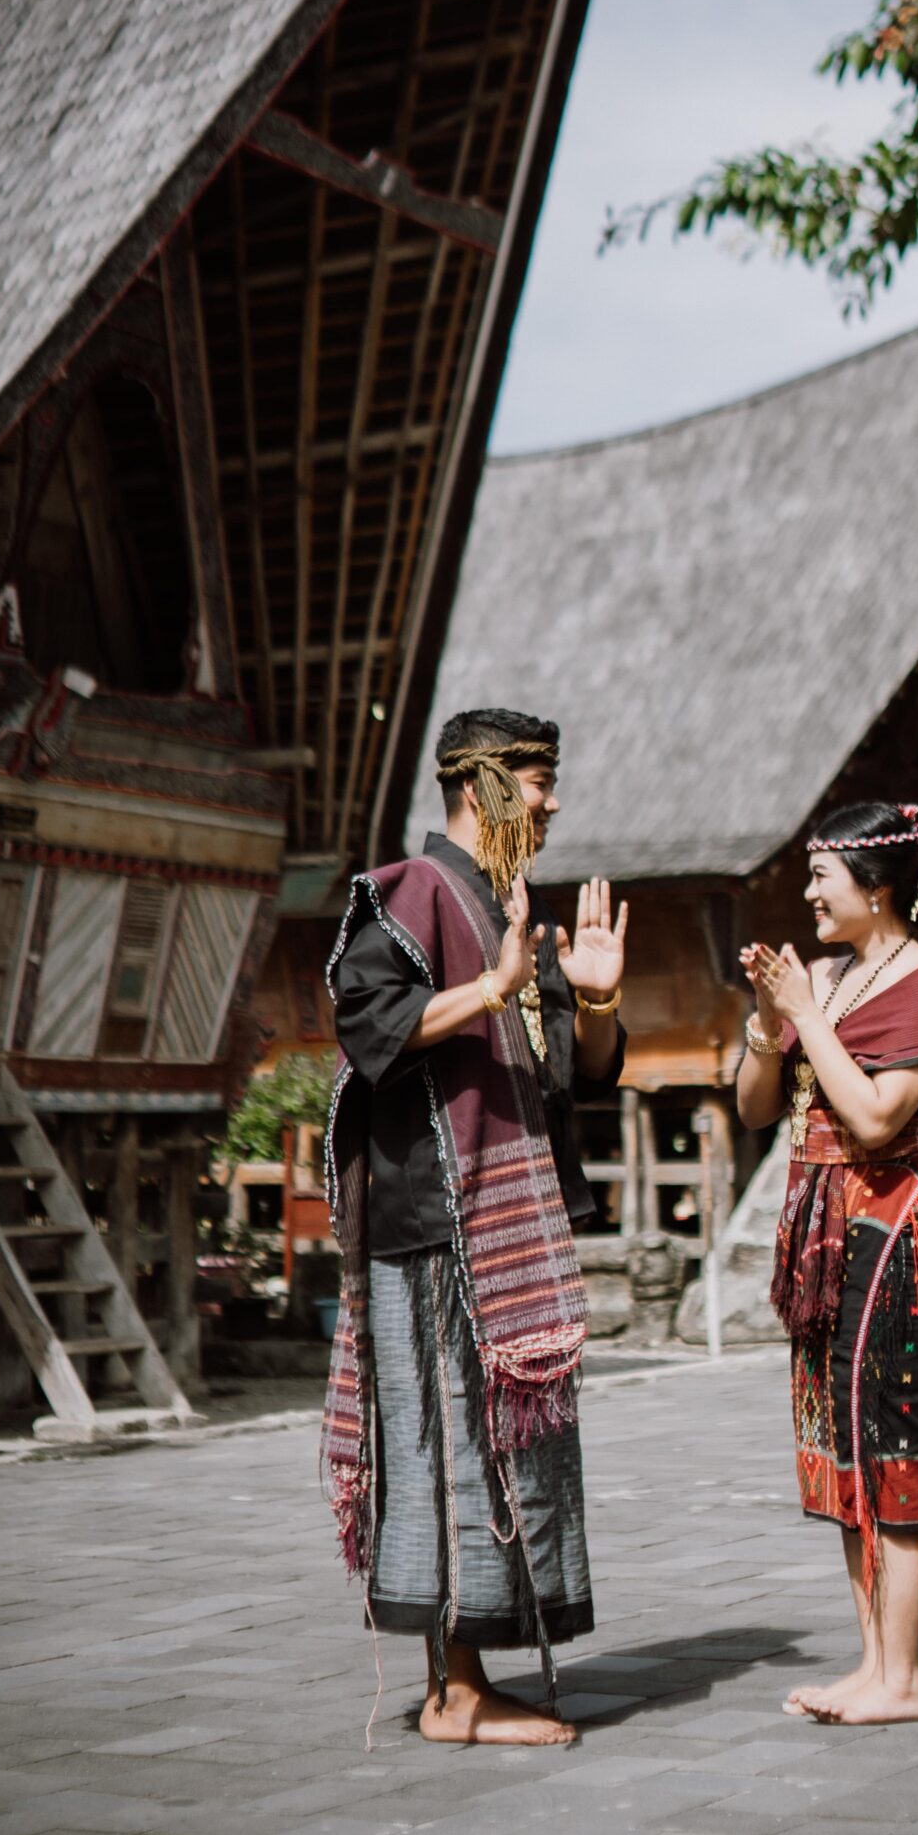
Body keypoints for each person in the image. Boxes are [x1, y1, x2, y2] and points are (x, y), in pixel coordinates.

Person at [322, 708, 628, 1746]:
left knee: (503, 1447)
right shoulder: (409, 891)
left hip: (506, 1220)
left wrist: (595, 999)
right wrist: (490, 987)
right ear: (484, 783)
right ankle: (454, 1692)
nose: (553, 803)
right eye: (539, 782)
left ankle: (468, 1682)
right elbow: (368, 1022)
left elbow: (575, 1074)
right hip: (433, 1218)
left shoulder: (509, 906)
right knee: (449, 1444)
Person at [737, 800, 918, 1726]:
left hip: (896, 1233)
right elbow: (757, 1106)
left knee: (892, 1450)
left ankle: (901, 1679)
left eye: (820, 877)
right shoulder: (825, 978)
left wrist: (806, 1015)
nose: (806, 894)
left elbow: (873, 1120)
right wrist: (771, 1018)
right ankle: (873, 1665)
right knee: (842, 1453)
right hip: (826, 1235)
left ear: (874, 890)